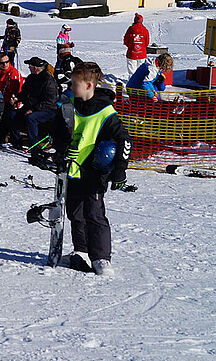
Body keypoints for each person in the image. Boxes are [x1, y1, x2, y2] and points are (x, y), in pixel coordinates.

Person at [58, 62, 130, 276]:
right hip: (73, 170)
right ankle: (81, 251)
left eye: (75, 84)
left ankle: (101, 257)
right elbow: (60, 133)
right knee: (75, 213)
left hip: (95, 172)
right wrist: (59, 150)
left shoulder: (106, 112)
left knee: (94, 214)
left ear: (89, 85)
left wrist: (119, 171)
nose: (71, 87)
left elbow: (124, 141)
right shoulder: (71, 105)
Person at [15, 57, 60, 148]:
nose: (28, 68)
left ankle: (34, 145)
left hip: (48, 109)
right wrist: (17, 98)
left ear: (35, 68)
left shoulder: (48, 80)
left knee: (31, 118)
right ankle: (16, 141)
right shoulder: (31, 78)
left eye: (30, 66)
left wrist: (34, 109)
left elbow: (50, 101)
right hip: (33, 107)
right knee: (13, 115)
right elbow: (24, 93)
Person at [0, 52, 25, 145]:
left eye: (7, 62)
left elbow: (17, 90)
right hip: (0, 101)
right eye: (2, 63)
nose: (5, 64)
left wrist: (14, 98)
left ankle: (16, 141)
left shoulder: (13, 73)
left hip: (13, 102)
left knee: (11, 117)